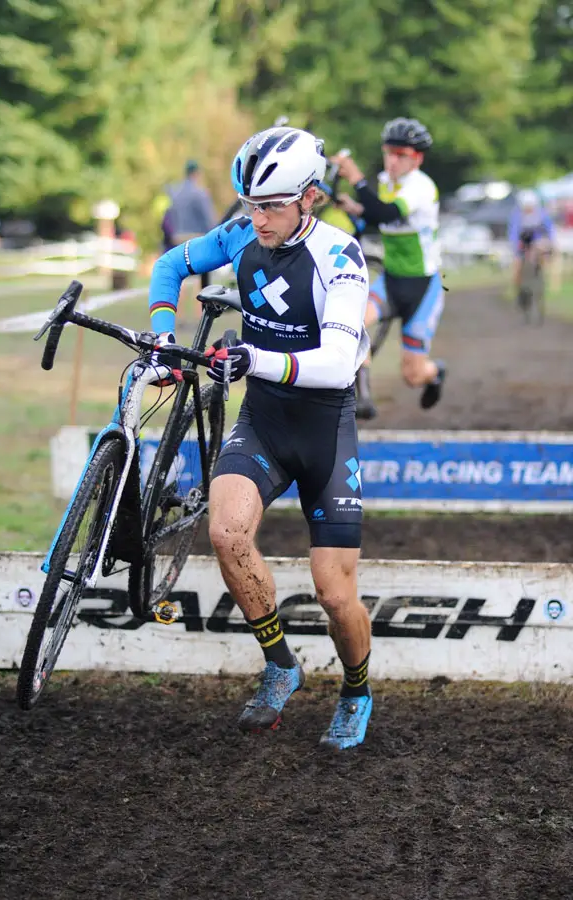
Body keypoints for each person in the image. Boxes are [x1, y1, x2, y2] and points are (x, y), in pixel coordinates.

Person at [148, 126, 373, 750]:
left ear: (311, 198)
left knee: (333, 593)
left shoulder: (340, 256)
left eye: (272, 205)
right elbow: (171, 263)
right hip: (265, 422)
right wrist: (165, 336)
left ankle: (356, 691)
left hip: (325, 429)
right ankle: (280, 665)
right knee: (225, 533)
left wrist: (253, 357)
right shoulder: (244, 232)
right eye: (250, 204)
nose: (259, 218)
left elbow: (337, 362)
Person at [330, 118, 446, 419]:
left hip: (422, 289)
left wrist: (357, 179)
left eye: (401, 155)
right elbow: (377, 218)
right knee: (353, 323)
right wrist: (355, 208)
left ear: (417, 158)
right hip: (391, 281)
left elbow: (386, 212)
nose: (392, 161)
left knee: (412, 375)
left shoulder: (421, 187)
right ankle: (364, 398)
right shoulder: (386, 181)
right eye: (389, 152)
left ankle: (435, 374)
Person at [164, 160, 217, 288]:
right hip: (196, 238)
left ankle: (179, 308)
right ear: (196, 173)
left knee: (181, 278)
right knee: (198, 280)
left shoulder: (174, 193)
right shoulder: (200, 193)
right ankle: (199, 308)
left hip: (177, 239)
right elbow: (209, 219)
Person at [508, 189, 555, 293]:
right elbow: (513, 233)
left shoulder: (542, 215)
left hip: (537, 243)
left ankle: (543, 276)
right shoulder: (517, 216)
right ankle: (518, 286)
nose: (529, 208)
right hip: (523, 243)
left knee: (544, 252)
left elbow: (549, 230)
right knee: (517, 264)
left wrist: (550, 242)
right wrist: (515, 247)